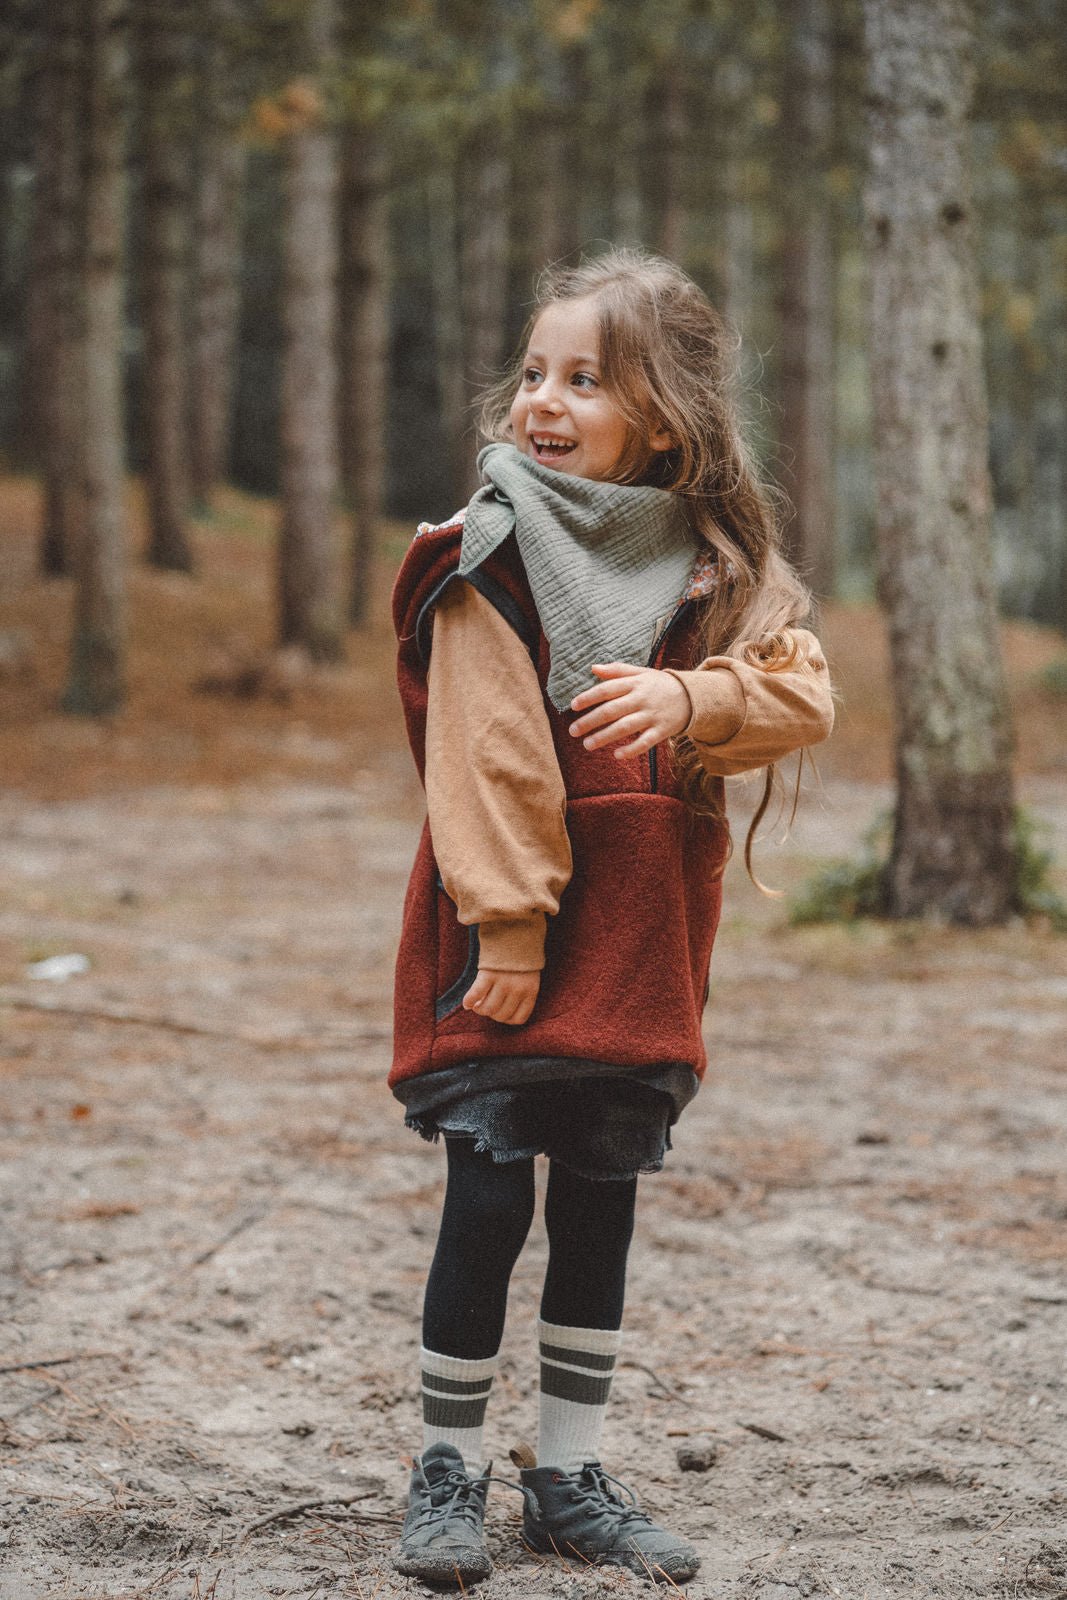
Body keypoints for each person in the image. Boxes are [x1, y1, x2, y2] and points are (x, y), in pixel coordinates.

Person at [387, 248, 835, 1586]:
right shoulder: (489, 552)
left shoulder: (712, 568)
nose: (544, 398)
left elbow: (802, 694)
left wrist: (690, 701)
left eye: (585, 378)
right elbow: (488, 757)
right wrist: (509, 933)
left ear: (665, 414)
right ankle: (449, 1469)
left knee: (599, 1209)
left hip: (642, 951)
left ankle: (568, 1477)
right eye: (535, 372)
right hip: (507, 942)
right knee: (485, 1203)